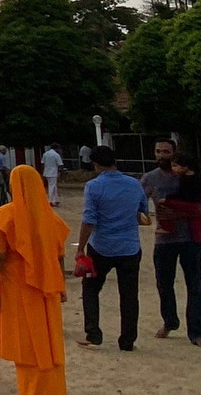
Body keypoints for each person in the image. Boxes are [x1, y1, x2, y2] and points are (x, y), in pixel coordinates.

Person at [0, 165, 70, 395]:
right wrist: (61, 286)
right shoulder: (52, 218)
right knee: (49, 346)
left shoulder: (4, 216)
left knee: (28, 348)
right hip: (48, 290)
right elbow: (59, 257)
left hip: (18, 290)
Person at [75, 145, 149, 350]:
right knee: (129, 294)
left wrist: (80, 247)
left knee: (91, 288)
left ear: (96, 164)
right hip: (130, 246)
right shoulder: (134, 184)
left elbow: (89, 219)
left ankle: (94, 333)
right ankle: (127, 340)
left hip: (102, 246)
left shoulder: (94, 186)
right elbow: (143, 210)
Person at [151, 150, 201, 346]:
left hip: (191, 239)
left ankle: (195, 330)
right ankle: (170, 321)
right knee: (165, 283)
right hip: (167, 242)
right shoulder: (151, 178)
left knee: (195, 285)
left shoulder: (191, 181)